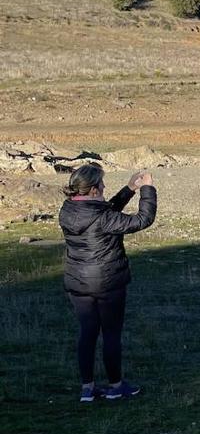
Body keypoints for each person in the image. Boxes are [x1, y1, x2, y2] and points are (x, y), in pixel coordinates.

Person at [59, 163, 157, 403]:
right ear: (93, 189)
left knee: (87, 333)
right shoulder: (101, 217)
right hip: (107, 283)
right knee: (111, 334)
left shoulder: (68, 209)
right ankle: (115, 386)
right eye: (101, 184)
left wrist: (130, 188)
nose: (104, 186)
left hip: (78, 283)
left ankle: (87, 389)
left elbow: (103, 213)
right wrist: (148, 189)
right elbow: (142, 220)